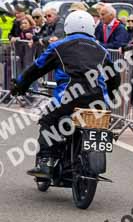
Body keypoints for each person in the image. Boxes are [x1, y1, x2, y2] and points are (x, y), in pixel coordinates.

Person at [11, 10, 120, 177]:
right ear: (91, 27)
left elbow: (36, 69)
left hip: (68, 98)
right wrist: (110, 96)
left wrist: (20, 85)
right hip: (97, 101)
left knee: (48, 120)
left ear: (68, 26)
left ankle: (46, 162)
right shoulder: (102, 50)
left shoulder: (59, 46)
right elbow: (115, 77)